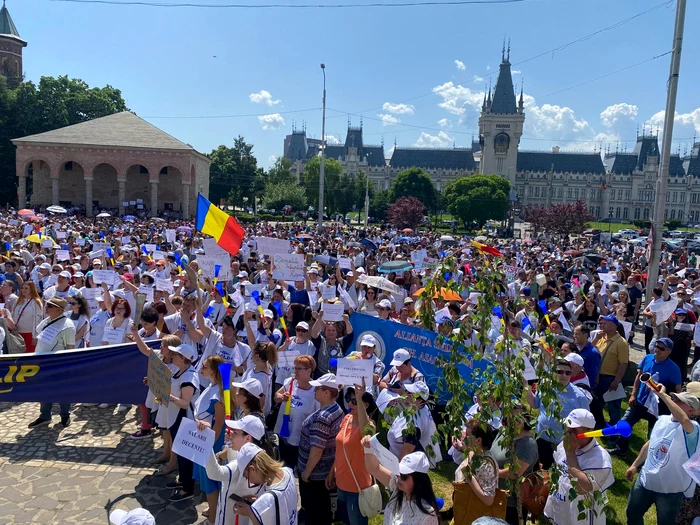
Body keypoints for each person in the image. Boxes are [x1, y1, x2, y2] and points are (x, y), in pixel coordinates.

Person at [626, 387, 700, 525]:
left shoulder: (694, 429)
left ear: (690, 410)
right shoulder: (662, 420)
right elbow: (651, 443)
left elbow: (684, 421)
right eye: (675, 398)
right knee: (632, 514)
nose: (675, 400)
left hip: (670, 490)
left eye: (680, 400)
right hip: (646, 481)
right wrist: (635, 465)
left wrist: (662, 395)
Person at [609, 337, 682, 457]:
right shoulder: (648, 358)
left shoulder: (674, 369)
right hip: (640, 401)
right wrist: (633, 394)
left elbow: (678, 391)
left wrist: (663, 392)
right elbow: (639, 376)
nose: (657, 350)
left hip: (658, 408)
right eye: (656, 346)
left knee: (653, 435)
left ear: (669, 351)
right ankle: (621, 449)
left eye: (661, 348)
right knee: (624, 423)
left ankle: (649, 459)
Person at [543, 409, 613, 525]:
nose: (568, 433)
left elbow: (581, 487)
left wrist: (570, 453)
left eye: (574, 429)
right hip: (561, 512)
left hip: (581, 518)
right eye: (567, 427)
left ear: (589, 431)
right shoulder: (564, 445)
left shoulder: (601, 459)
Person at [296, 372, 344, 525]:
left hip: (314, 476)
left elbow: (317, 450)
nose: (314, 390)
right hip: (325, 473)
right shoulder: (337, 409)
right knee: (323, 513)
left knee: (314, 515)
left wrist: (306, 473)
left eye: (317, 388)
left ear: (326, 393)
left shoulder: (322, 418)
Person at [328, 379, 377, 525]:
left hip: (357, 486)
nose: (350, 403)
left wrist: (360, 397)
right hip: (341, 482)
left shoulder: (370, 426)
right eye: (349, 399)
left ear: (365, 405)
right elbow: (340, 448)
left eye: (355, 401)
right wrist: (332, 471)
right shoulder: (346, 418)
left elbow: (365, 431)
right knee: (347, 520)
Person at [525, 359, 590, 469]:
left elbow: (586, 424)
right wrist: (525, 386)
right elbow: (535, 404)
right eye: (560, 372)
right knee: (535, 470)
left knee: (553, 475)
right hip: (540, 437)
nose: (564, 375)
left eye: (568, 373)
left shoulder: (579, 397)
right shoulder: (546, 386)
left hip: (560, 443)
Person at [204, 416, 268, 525]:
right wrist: (230, 444)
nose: (230, 434)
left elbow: (214, 473)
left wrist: (205, 441)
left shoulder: (241, 464)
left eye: (235, 433)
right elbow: (233, 453)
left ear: (247, 438)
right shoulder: (261, 455)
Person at [361, 442, 440, 525]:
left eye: (404, 476)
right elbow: (374, 468)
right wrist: (368, 447)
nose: (398, 478)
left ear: (418, 480)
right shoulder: (397, 487)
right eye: (398, 473)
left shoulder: (427, 514)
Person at [27, 297, 76, 428]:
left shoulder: (68, 325)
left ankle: (65, 416)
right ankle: (44, 416)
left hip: (59, 364)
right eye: (47, 304)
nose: (46, 307)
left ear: (59, 310)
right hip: (42, 363)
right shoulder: (46, 321)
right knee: (43, 389)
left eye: (50, 306)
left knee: (62, 390)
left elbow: (70, 347)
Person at [490, 402, 538, 525]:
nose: (514, 421)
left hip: (512, 501)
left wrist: (491, 472)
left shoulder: (527, 444)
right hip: (493, 493)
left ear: (525, 419)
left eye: (518, 417)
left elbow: (514, 473)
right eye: (511, 417)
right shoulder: (503, 433)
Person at [193, 355, 227, 525]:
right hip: (206, 439)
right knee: (209, 481)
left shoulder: (218, 393)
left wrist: (207, 447)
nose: (202, 368)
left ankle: (214, 518)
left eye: (205, 366)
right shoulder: (211, 386)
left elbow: (219, 424)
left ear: (213, 370)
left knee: (211, 481)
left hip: (213, 442)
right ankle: (214, 508)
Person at [164, 344, 200, 503]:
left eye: (177, 354)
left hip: (184, 419)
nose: (173, 355)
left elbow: (185, 403)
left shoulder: (189, 377)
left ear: (184, 359)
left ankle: (187, 489)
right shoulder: (180, 371)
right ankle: (182, 480)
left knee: (186, 455)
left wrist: (168, 396)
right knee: (179, 450)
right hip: (175, 417)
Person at [232, 443, 299, 525]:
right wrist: (260, 500)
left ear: (252, 469)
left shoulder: (268, 498)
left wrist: (250, 513)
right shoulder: (288, 471)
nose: (250, 482)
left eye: (247, 477)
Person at [272, 355, 319, 469]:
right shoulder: (290, 382)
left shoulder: (316, 390)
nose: (295, 371)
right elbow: (276, 396)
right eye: (295, 368)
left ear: (308, 371)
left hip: (300, 440)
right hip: (284, 434)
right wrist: (281, 396)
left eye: (299, 369)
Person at [387, 381, 442, 467]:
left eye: (409, 393)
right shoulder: (420, 408)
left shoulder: (414, 426)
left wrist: (399, 473)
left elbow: (406, 452)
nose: (406, 394)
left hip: (407, 465)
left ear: (419, 400)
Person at [594, 313, 629, 430]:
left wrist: (616, 381)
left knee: (613, 409)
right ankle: (600, 426)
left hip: (610, 379)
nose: (602, 325)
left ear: (614, 326)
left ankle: (614, 433)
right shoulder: (601, 337)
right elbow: (591, 350)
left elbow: (623, 363)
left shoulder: (621, 342)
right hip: (599, 377)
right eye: (602, 322)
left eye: (606, 323)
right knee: (597, 405)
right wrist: (596, 339)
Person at [310, 310, 354, 377]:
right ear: (325, 332)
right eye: (328, 330)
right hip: (321, 377)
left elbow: (350, 335)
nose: (331, 332)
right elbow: (314, 333)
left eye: (333, 330)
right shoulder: (321, 341)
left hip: (337, 378)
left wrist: (346, 321)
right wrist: (319, 319)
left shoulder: (341, 342)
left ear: (336, 332)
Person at [5, 281, 43, 353]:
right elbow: (13, 315)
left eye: (26, 288)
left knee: (28, 355)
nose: (23, 290)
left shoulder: (36, 302)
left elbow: (38, 320)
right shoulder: (18, 300)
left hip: (30, 334)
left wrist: (35, 337)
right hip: (17, 333)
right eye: (22, 288)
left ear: (32, 289)